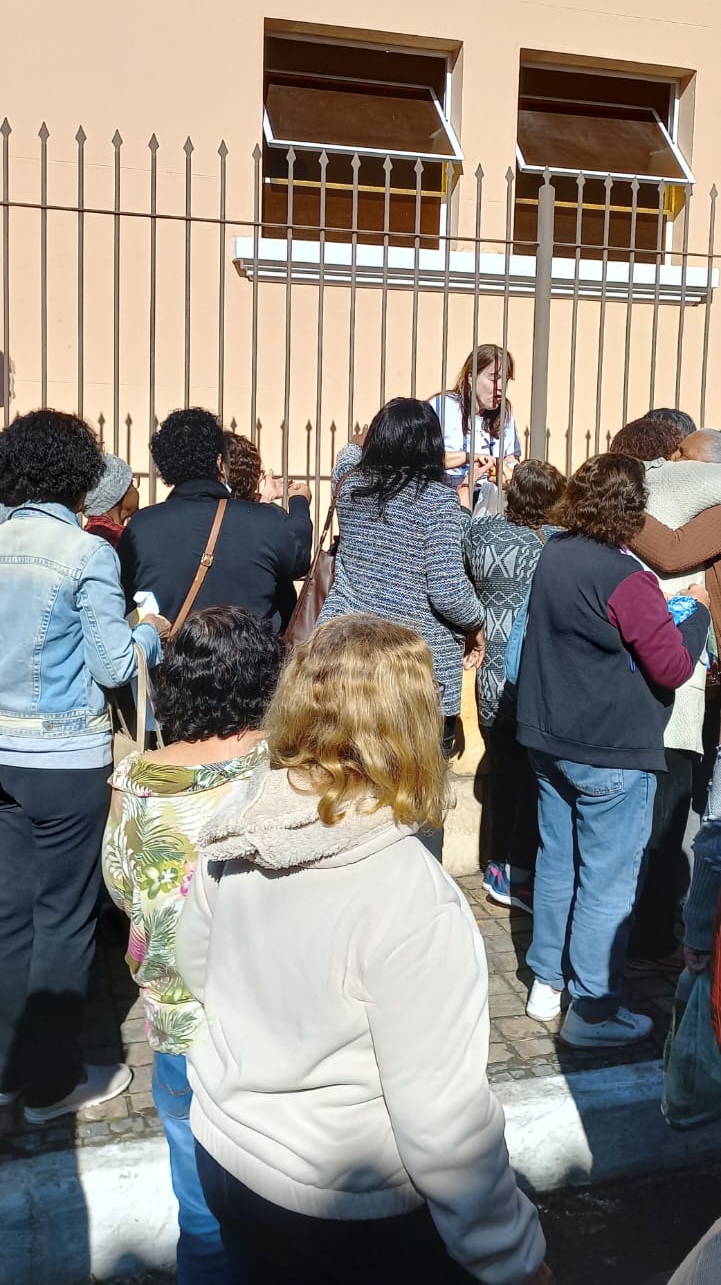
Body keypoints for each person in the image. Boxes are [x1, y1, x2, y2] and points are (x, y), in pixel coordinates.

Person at [177, 615, 549, 1285]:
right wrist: (514, 1259)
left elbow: (198, 969)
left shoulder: (238, 824)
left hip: (226, 1153)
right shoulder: (411, 898)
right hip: (341, 1209)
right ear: (412, 724)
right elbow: (445, 1127)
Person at [103, 607, 284, 1285]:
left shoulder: (136, 782)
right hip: (273, 1020)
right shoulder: (283, 767)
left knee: (201, 1205)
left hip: (178, 1023)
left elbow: (122, 886)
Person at [0, 409, 166, 1121]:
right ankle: (51, 1082)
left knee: (9, 912)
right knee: (64, 918)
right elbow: (113, 665)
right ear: (80, 475)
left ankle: (10, 1068)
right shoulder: (84, 552)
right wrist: (148, 632)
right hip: (63, 757)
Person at [516, 453, 709, 1046]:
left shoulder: (555, 552)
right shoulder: (628, 578)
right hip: (611, 749)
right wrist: (697, 612)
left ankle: (546, 984)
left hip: (550, 740)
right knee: (607, 882)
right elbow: (672, 666)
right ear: (633, 508)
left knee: (557, 862)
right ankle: (593, 1011)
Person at [318, 398, 485, 760]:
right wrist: (477, 622)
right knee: (417, 784)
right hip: (414, 672)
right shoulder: (438, 501)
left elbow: (347, 455)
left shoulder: (349, 484)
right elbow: (449, 593)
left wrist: (360, 443)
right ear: (432, 446)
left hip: (349, 661)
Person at [609, 419, 719, 968]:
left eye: (685, 456)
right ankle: (662, 934)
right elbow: (674, 554)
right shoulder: (685, 494)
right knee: (672, 817)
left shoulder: (700, 500)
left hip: (677, 684)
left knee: (675, 818)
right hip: (683, 684)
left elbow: (673, 553)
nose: (674, 463)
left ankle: (668, 934)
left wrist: (610, 506)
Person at [465, 460, 566, 914]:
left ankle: (495, 864)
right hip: (533, 664)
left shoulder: (481, 533)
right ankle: (515, 873)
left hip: (490, 664)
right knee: (531, 775)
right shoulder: (558, 544)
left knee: (501, 767)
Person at [119, 408, 312, 632]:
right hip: (250, 652)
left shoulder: (142, 526)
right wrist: (299, 503)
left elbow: (124, 598)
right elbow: (299, 561)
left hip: (172, 652)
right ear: (219, 461)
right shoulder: (265, 520)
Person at [429, 344, 521, 504]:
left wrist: (505, 469)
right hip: (448, 497)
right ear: (471, 377)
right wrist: (469, 458)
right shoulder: (442, 407)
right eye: (494, 379)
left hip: (491, 500)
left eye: (505, 380)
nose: (500, 388)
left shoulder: (505, 413)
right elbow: (425, 459)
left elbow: (512, 458)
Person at [83, 453, 139, 548]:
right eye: (132, 484)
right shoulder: (125, 542)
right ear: (120, 493)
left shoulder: (87, 536)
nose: (136, 491)